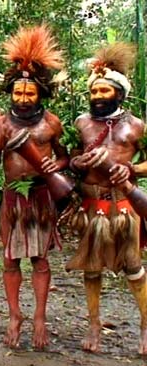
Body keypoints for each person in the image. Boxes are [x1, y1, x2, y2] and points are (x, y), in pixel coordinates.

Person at [0, 26, 69, 349]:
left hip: (41, 196)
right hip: (11, 198)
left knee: (40, 260)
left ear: (39, 94)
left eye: (28, 93)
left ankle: (40, 318)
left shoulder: (52, 123)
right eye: (17, 94)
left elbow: (65, 159)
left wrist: (55, 167)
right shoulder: (2, 123)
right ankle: (15, 315)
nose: (22, 98)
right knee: (10, 260)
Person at [66, 42, 147, 354]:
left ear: (119, 92)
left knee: (132, 265)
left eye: (104, 91)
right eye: (94, 91)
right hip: (92, 205)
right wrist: (77, 163)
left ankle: (144, 324)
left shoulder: (136, 125)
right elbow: (70, 159)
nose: (97, 96)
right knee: (92, 267)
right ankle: (94, 324)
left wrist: (132, 168)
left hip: (125, 205)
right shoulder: (81, 124)